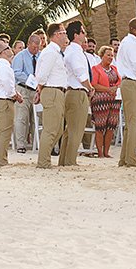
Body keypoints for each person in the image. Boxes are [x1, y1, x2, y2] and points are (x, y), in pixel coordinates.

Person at [35, 23, 70, 169]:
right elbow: (42, 75)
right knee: (51, 129)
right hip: (52, 91)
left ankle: (45, 158)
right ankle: (43, 161)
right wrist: (40, 89)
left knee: (58, 129)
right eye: (63, 32)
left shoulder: (56, 52)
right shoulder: (50, 52)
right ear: (56, 35)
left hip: (58, 91)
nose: (65, 35)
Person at [61, 21, 93, 166]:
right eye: (83, 32)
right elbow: (80, 72)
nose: (85, 35)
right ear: (76, 35)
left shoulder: (70, 50)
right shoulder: (75, 51)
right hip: (77, 92)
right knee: (76, 129)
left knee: (70, 130)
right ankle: (70, 161)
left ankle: (65, 160)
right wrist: (90, 87)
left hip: (72, 91)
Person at [115, 18, 136, 168]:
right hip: (132, 82)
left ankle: (125, 158)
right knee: (134, 122)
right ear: (133, 29)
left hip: (129, 82)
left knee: (130, 123)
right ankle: (132, 159)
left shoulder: (128, 42)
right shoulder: (131, 43)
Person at [0, 41, 23, 167]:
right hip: (5, 101)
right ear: (3, 52)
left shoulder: (3, 66)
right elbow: (8, 87)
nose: (10, 49)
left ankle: (0, 158)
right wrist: (16, 95)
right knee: (4, 132)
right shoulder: (3, 67)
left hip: (3, 101)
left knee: (1, 132)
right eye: (8, 48)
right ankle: (1, 160)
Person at [90, 45, 122, 158]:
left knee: (111, 125)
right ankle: (99, 152)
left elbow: (119, 81)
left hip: (114, 100)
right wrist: (108, 89)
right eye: (108, 55)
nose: (110, 57)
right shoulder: (95, 69)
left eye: (112, 55)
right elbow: (94, 84)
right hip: (100, 100)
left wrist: (115, 88)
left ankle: (106, 152)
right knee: (100, 126)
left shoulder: (114, 69)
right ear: (102, 56)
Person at [11, 34, 41, 153]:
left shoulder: (41, 56)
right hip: (23, 88)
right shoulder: (20, 56)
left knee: (37, 119)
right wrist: (31, 79)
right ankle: (20, 144)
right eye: (34, 48)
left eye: (38, 47)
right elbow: (17, 73)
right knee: (21, 117)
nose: (36, 50)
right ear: (28, 44)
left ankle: (36, 143)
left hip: (37, 90)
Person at [82, 37, 101, 152]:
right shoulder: (82, 56)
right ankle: (87, 146)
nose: (91, 48)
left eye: (93, 46)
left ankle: (95, 146)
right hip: (87, 89)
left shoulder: (98, 58)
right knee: (87, 118)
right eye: (89, 46)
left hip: (97, 91)